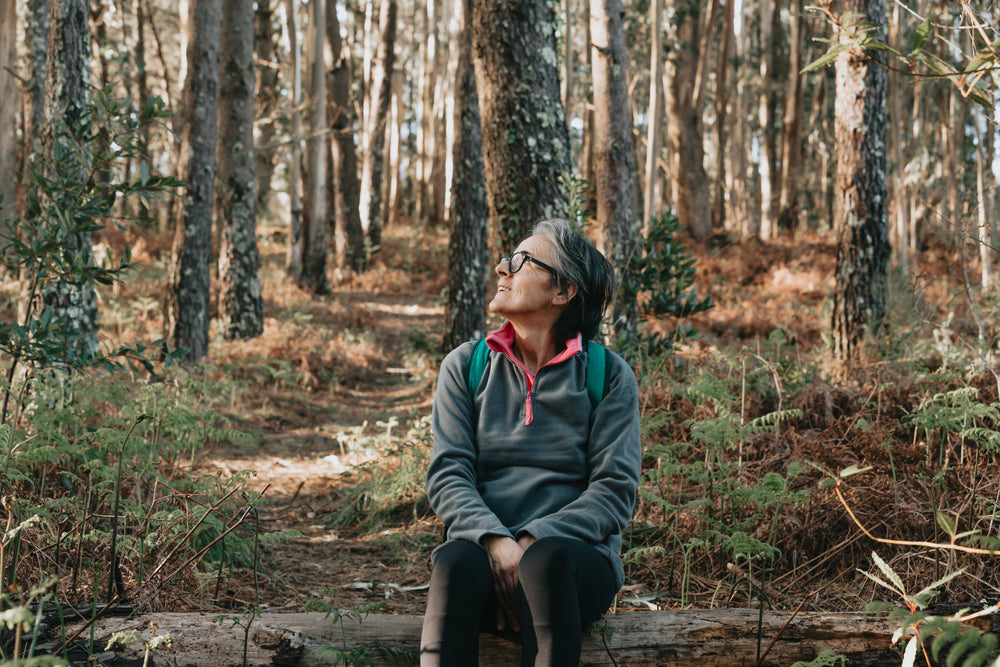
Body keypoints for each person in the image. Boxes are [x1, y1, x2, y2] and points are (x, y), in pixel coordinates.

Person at [420, 218, 642, 666]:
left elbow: (614, 491)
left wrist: (529, 544)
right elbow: (448, 474)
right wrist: (496, 543)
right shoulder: (465, 366)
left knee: (546, 563)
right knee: (454, 562)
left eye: (519, 261)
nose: (502, 268)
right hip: (484, 558)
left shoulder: (608, 375)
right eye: (506, 260)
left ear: (563, 291)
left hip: (575, 568)